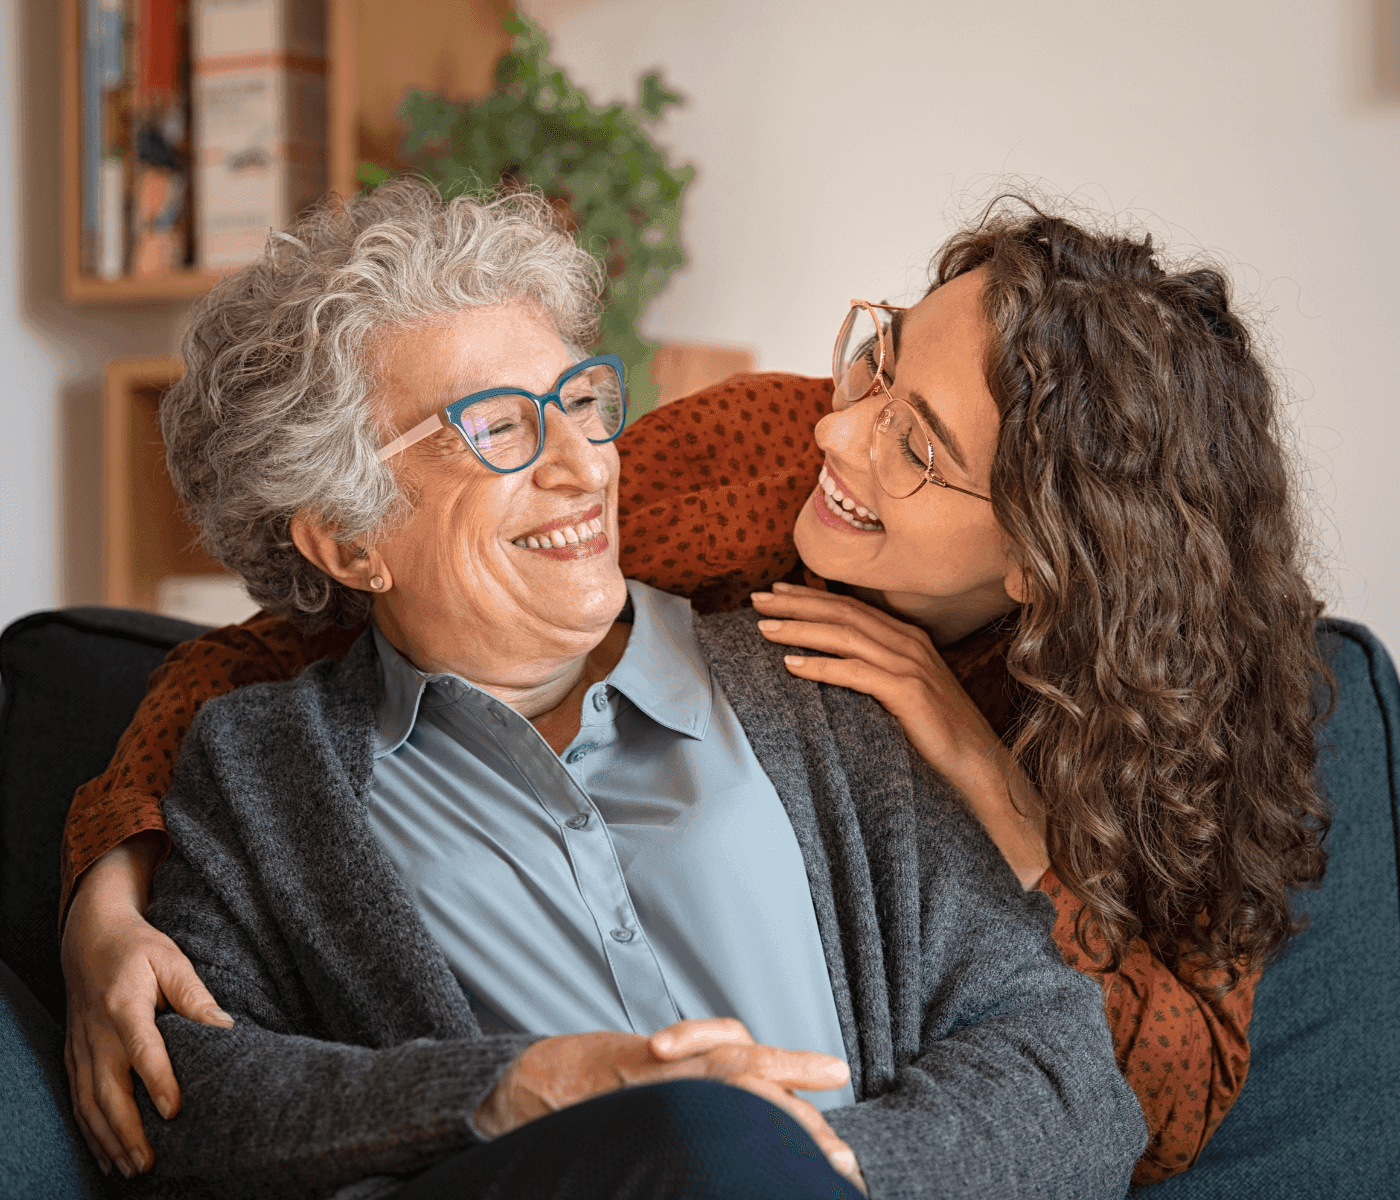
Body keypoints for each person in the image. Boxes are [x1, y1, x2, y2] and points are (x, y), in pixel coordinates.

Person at [59, 187, 1328, 1188]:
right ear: (347, 534)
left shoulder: (852, 704)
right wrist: (104, 896)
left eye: (577, 405)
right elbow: (262, 658)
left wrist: (812, 1166)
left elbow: (1107, 1089)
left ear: (1051, 558)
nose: (583, 464)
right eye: (502, 426)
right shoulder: (755, 474)